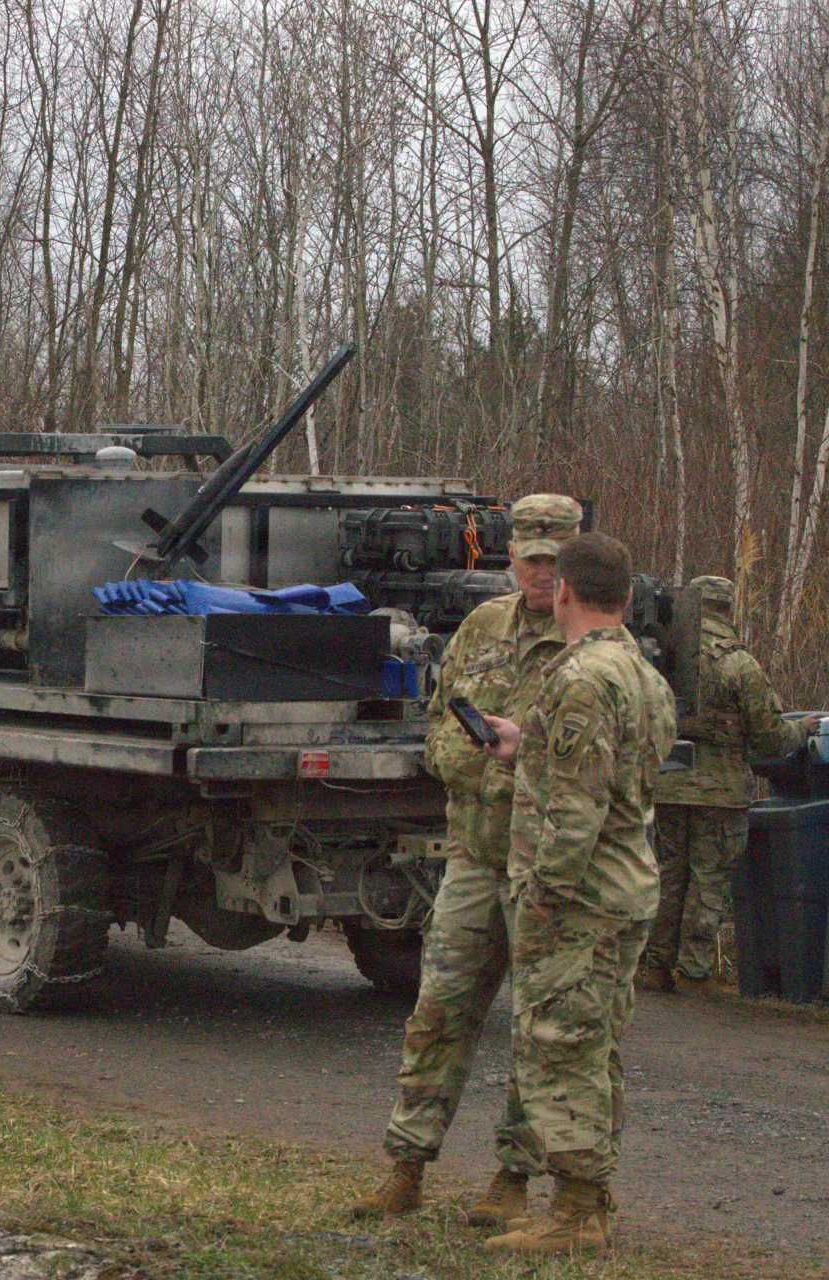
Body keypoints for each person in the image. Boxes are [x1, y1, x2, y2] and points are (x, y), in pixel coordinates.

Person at [348, 493, 577, 1229]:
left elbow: (591, 769)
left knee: (538, 1034)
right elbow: (441, 730)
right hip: (476, 857)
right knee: (438, 1013)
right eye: (531, 559)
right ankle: (407, 1166)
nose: (541, 574)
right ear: (511, 559)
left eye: (555, 561)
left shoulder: (595, 647)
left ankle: (512, 1178)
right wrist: (489, 766)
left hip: (549, 871)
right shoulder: (481, 628)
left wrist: (512, 768)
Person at [479, 532, 677, 1256]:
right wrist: (526, 743)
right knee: (594, 1047)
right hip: (625, 885)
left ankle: (575, 1214)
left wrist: (544, 894)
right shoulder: (641, 672)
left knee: (561, 1045)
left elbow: (579, 805)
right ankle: (587, 1199)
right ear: (625, 597)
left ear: (563, 590)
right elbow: (612, 771)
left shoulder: (582, 678)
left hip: (580, 897)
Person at [638, 575, 817, 993]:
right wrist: (802, 730)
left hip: (668, 784)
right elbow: (769, 737)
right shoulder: (738, 663)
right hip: (719, 793)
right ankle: (694, 972)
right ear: (728, 609)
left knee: (667, 877)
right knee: (709, 880)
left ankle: (654, 966)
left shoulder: (661, 657)